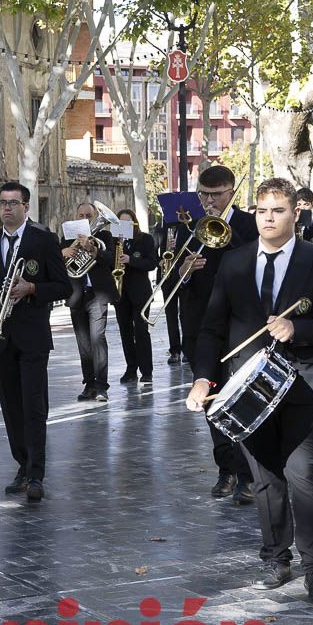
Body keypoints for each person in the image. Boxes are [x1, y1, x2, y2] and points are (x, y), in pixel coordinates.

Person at [186, 178, 313, 604]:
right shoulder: (235, 262)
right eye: (261, 211)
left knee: (304, 476)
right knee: (264, 479)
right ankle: (276, 557)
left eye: (278, 210)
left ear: (296, 213)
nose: (268, 218)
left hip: (302, 385)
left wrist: (299, 328)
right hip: (248, 390)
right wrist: (203, 377)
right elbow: (212, 328)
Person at [0, 182, 73, 502]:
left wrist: (32, 289)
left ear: (26, 207)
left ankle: (37, 473)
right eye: (2, 203)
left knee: (33, 406)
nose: (7, 208)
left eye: (14, 203)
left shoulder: (43, 240)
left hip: (32, 336)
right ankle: (22, 465)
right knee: (11, 407)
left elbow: (63, 287)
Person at [176, 165, 258, 504]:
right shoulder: (188, 228)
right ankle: (226, 470)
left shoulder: (248, 226)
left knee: (239, 400)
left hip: (238, 326)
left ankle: (248, 475)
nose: (210, 201)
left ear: (232, 192)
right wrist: (182, 271)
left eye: (217, 194)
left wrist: (224, 231)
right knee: (210, 402)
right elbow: (177, 280)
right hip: (199, 325)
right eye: (205, 195)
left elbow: (254, 264)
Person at [62, 202, 117, 402]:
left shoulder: (104, 236)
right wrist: (64, 253)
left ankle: (102, 386)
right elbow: (56, 262)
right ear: (75, 216)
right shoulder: (67, 238)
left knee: (97, 339)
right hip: (77, 295)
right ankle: (89, 384)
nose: (85, 218)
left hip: (98, 294)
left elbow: (111, 259)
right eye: (81, 214)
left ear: (94, 218)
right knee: (83, 342)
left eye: (89, 215)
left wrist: (93, 250)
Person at [114, 209, 157, 384]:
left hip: (140, 293)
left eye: (128, 223)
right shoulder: (114, 241)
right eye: (121, 223)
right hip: (120, 293)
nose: (125, 226)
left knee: (141, 331)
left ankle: (147, 371)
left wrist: (131, 260)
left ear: (134, 223)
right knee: (125, 332)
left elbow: (152, 263)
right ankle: (131, 369)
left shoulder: (145, 239)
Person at [156, 215, 185, 364]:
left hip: (184, 274)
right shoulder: (162, 228)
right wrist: (159, 260)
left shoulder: (189, 226)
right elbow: (154, 251)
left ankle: (187, 348)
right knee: (170, 315)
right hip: (167, 275)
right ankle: (175, 350)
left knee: (186, 314)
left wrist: (177, 246)